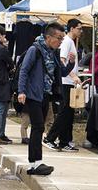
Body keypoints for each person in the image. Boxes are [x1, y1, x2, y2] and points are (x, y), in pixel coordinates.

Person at [17, 23, 66, 176]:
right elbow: (24, 71)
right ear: (48, 37)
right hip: (33, 94)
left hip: (46, 94)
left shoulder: (53, 52)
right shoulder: (35, 50)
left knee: (40, 127)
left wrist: (70, 62)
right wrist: (21, 91)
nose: (60, 41)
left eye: (62, 39)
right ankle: (35, 163)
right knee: (38, 126)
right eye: (59, 38)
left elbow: (61, 72)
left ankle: (36, 163)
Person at [44, 20, 83, 152]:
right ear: (72, 28)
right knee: (64, 112)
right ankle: (50, 137)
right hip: (65, 82)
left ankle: (65, 141)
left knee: (69, 113)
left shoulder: (70, 42)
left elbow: (68, 62)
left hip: (69, 82)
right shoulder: (66, 41)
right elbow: (61, 61)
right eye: (79, 28)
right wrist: (73, 76)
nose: (81, 31)